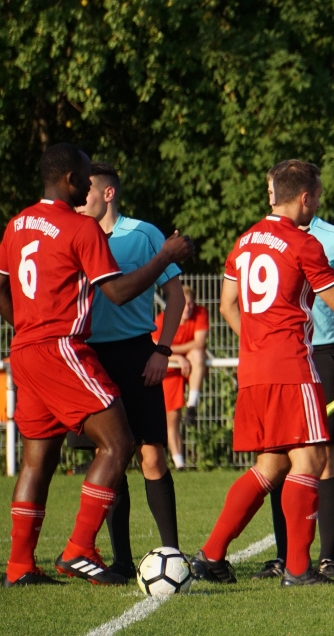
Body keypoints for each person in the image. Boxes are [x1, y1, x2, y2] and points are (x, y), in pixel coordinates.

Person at [190, 160, 334, 587]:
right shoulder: (304, 244)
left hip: (255, 368)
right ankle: (299, 569)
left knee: (269, 465)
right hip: (290, 367)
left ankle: (210, 556)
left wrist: (257, 341)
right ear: (304, 198)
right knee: (314, 457)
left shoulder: (243, 242)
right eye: (316, 197)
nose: (317, 203)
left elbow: (227, 304)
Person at [0, 143, 193, 587]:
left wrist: (24, 323)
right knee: (119, 442)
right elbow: (119, 293)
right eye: (84, 177)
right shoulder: (79, 228)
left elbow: (1, 285)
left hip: (25, 350)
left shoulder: (18, 223)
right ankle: (79, 548)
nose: (89, 183)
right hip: (61, 349)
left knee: (36, 461)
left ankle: (19, 566)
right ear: (68, 179)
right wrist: (164, 256)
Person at [253, 163, 334, 581]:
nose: (270, 195)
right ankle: (286, 555)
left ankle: (325, 557)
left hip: (320, 354)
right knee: (279, 457)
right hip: (282, 357)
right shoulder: (264, 236)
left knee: (323, 458)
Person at [75, 162, 186, 577]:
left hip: (138, 353)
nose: (78, 199)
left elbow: (175, 297)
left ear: (107, 194)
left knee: (152, 454)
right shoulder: (73, 233)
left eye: (85, 192)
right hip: (88, 357)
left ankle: (172, 556)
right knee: (111, 457)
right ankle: (121, 561)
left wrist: (161, 350)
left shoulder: (144, 234)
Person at [153, 285, 209, 469]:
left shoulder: (200, 313)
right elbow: (154, 346)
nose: (188, 308)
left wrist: (171, 351)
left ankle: (192, 404)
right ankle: (179, 463)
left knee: (197, 355)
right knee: (172, 416)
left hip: (188, 364)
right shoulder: (163, 319)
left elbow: (199, 343)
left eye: (190, 304)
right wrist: (177, 357)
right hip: (171, 367)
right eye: (183, 304)